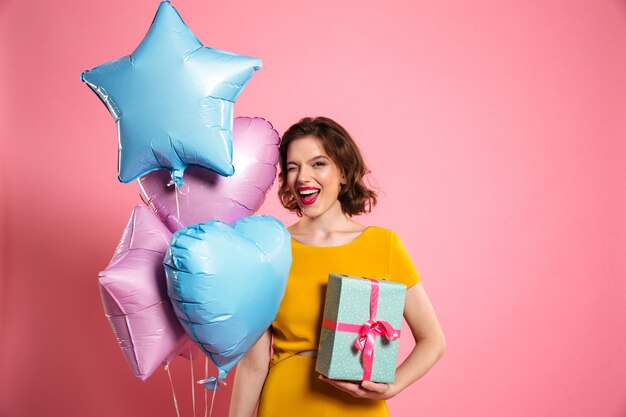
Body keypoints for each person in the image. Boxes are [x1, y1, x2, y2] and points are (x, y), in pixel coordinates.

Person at [229, 117, 445, 417]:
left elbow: (433, 340)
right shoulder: (272, 248)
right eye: (293, 167)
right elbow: (253, 362)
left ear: (343, 173)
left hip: (360, 406)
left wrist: (393, 385)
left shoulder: (385, 245)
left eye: (318, 164)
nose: (303, 177)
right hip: (286, 403)